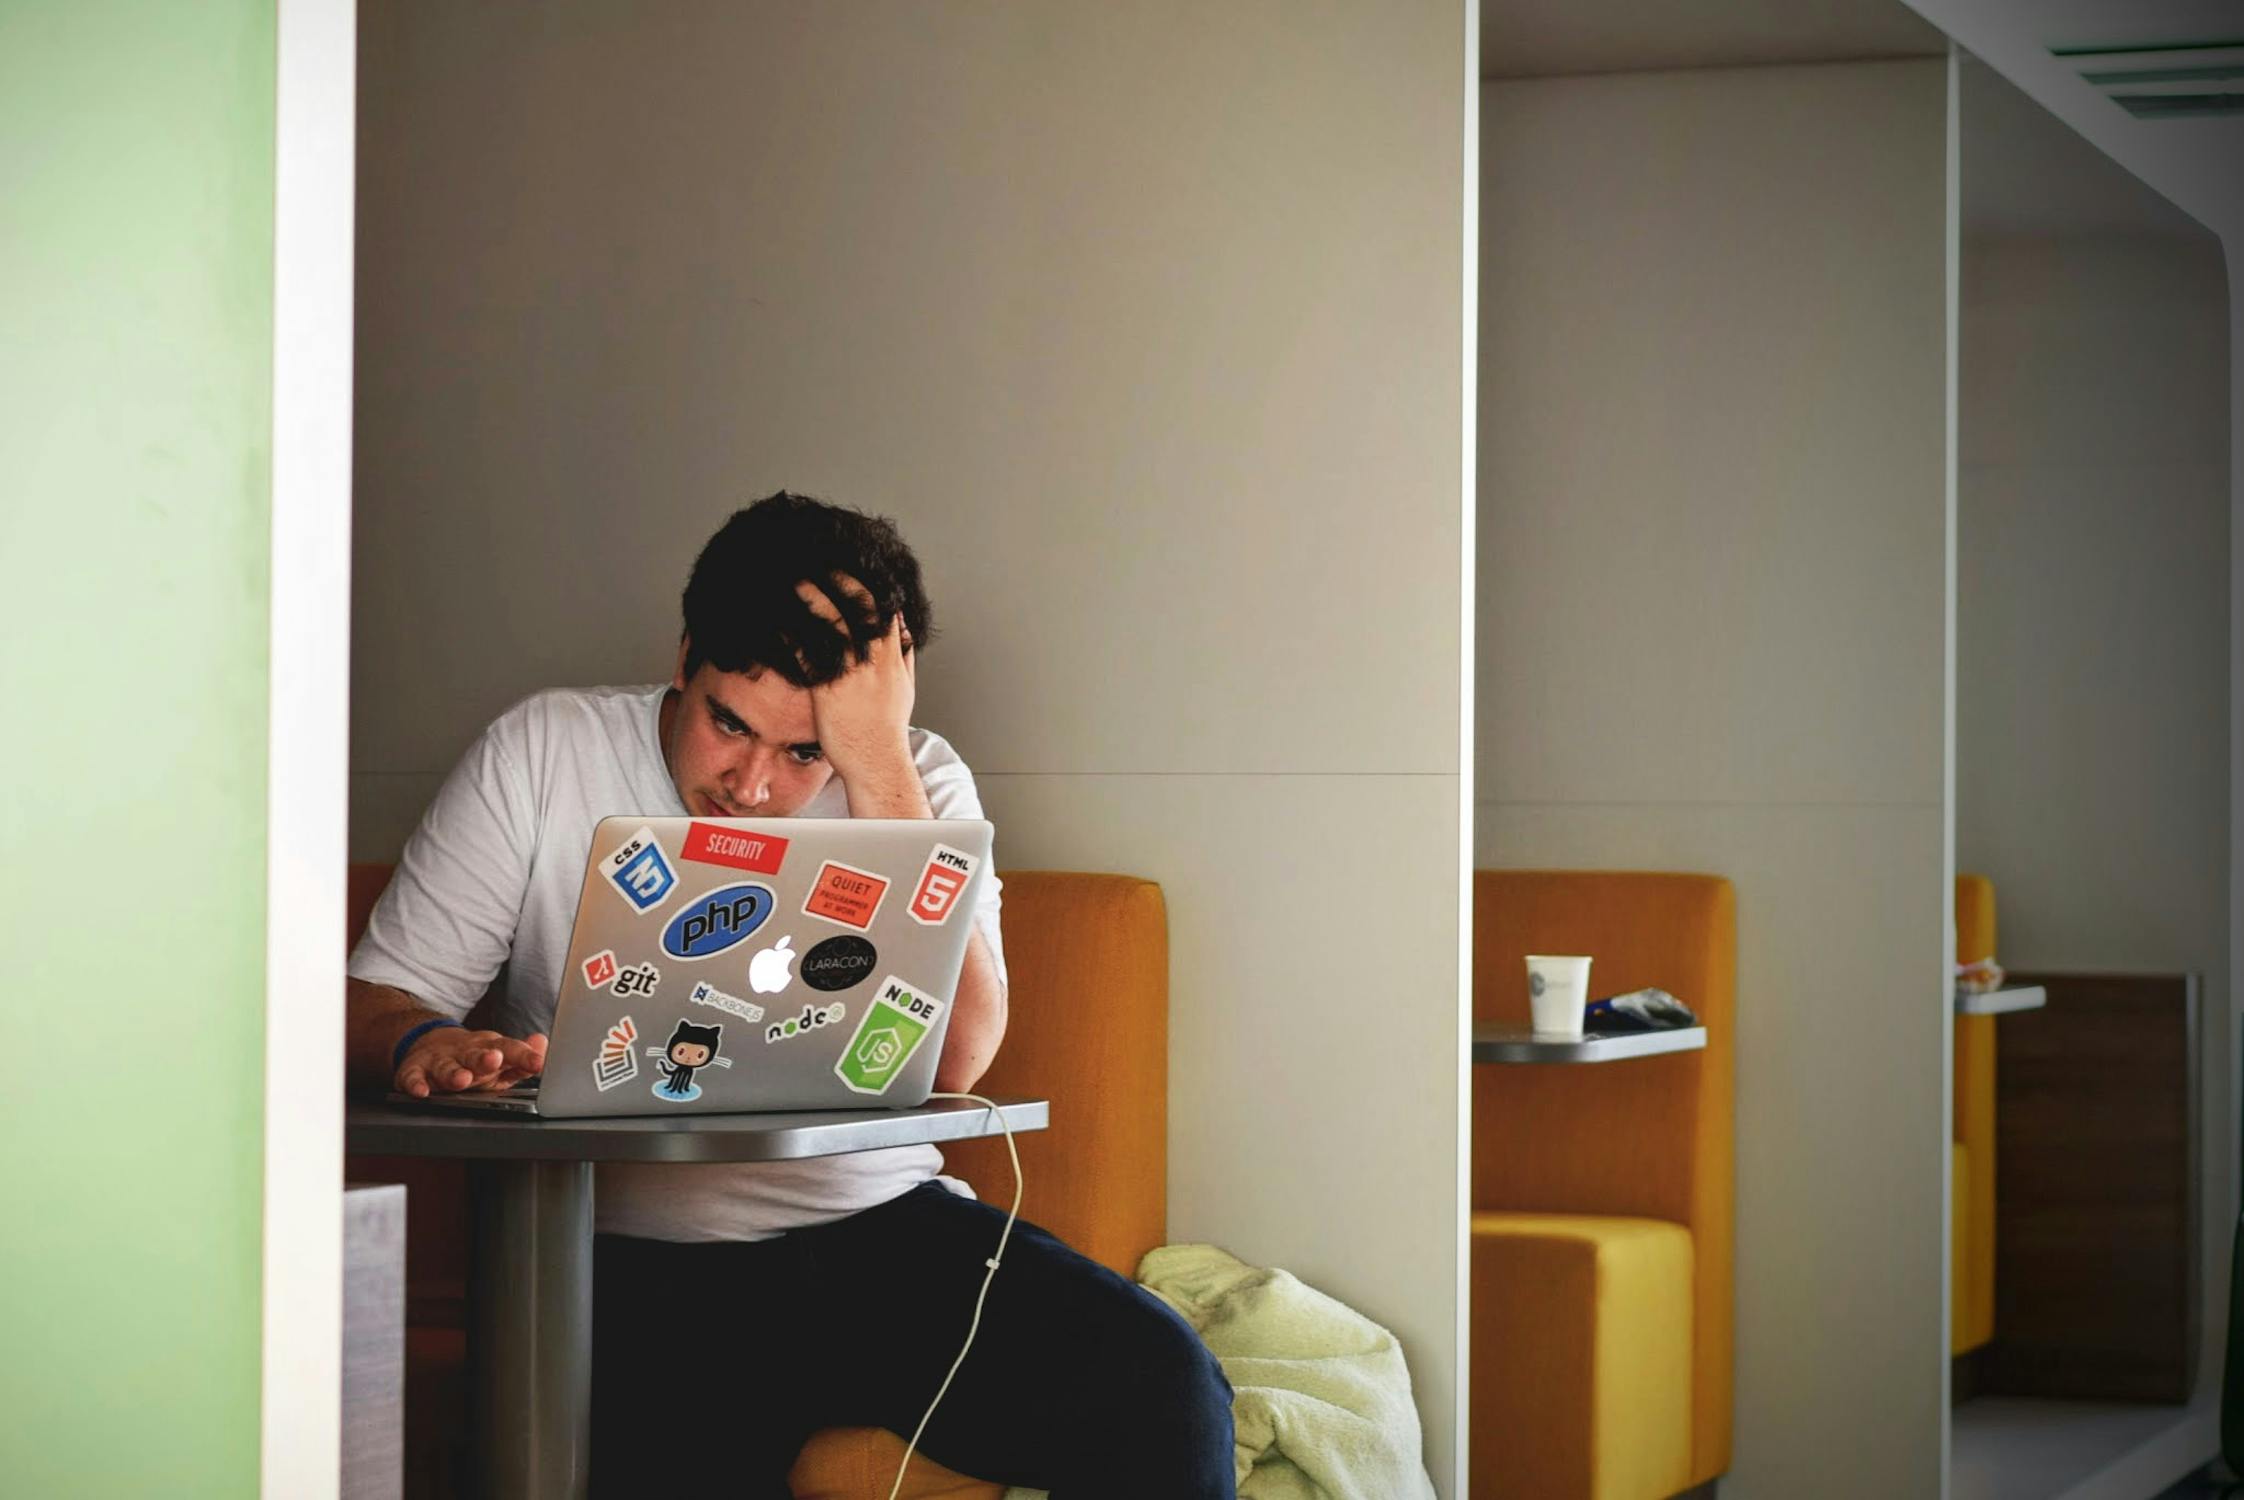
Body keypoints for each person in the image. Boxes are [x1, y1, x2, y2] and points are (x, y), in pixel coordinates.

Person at [343, 492, 1235, 1497]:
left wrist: (877, 766)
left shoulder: (916, 779)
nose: (753, 784)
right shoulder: (544, 750)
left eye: (804, 750)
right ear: (685, 659)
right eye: (729, 724)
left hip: (879, 1232)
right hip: (629, 1260)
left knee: (1164, 1382)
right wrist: (425, 1040)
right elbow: (373, 999)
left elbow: (958, 1059)